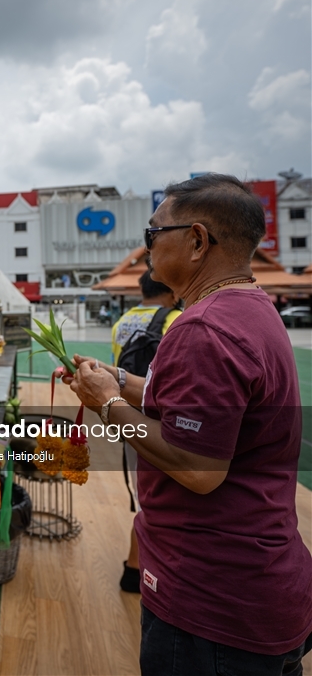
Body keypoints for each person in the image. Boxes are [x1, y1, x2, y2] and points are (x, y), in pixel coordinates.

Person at [64, 174, 312, 675]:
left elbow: (199, 468)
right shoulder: (249, 308)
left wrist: (109, 405)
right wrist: (116, 379)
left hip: (212, 603)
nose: (148, 248)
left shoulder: (203, 328)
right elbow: (186, 404)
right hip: (255, 585)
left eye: (154, 235)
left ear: (197, 240)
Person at [109, 269, 181, 593]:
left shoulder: (121, 323)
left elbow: (119, 371)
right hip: (163, 420)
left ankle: (135, 566)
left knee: (143, 490)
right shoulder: (176, 320)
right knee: (163, 496)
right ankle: (138, 567)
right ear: (173, 291)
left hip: (126, 414)